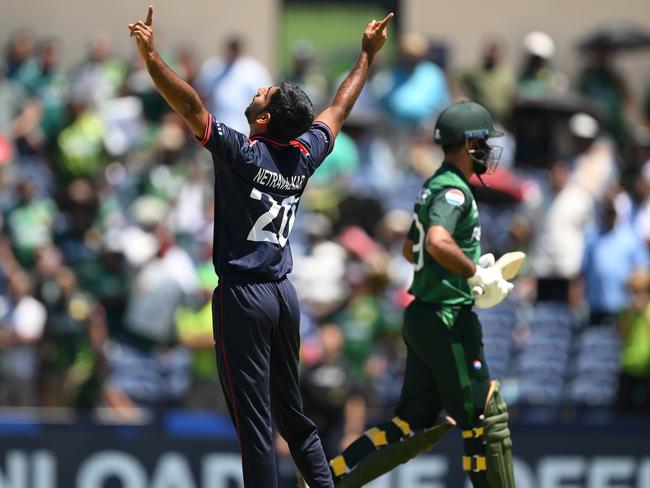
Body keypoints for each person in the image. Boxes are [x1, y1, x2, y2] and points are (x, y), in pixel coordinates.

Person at [128, 6, 393, 488]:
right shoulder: (303, 154)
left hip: (244, 295)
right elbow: (339, 108)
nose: (256, 90)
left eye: (262, 93)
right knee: (293, 418)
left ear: (265, 117)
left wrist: (151, 60)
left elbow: (190, 107)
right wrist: (365, 57)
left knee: (255, 425)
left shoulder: (242, 152)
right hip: (282, 295)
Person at [329, 101, 516, 488]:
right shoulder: (454, 192)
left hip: (423, 315)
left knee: (410, 421)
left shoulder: (432, 185)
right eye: (482, 142)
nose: (486, 150)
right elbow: (434, 242)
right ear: (466, 144)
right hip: (448, 318)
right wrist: (474, 271)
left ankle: (326, 478)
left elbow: (408, 249)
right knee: (483, 417)